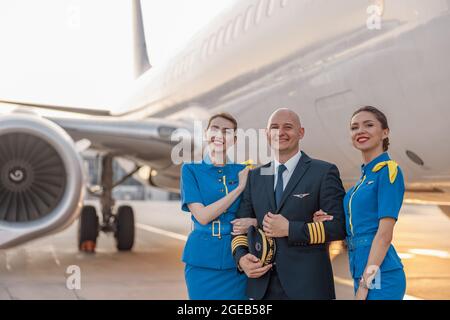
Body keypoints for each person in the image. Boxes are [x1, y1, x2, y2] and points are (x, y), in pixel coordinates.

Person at [231, 108, 346, 300]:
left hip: (308, 288)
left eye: (288, 127)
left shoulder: (323, 172)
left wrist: (289, 229)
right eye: (274, 127)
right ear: (267, 135)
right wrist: (241, 258)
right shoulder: (255, 177)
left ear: (301, 132)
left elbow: (338, 227)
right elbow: (239, 229)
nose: (280, 132)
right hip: (262, 288)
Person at [314, 106, 406, 300]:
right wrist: (326, 218)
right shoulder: (364, 178)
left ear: (385, 132)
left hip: (380, 274)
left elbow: (384, 235)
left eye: (369, 125)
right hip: (361, 268)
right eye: (354, 127)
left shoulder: (389, 172)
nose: (360, 131)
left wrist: (365, 284)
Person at [180, 112, 256, 300]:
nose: (220, 135)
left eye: (227, 131)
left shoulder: (244, 171)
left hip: (237, 261)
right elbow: (203, 216)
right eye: (215, 128)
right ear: (206, 134)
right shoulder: (190, 170)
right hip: (201, 261)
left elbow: (259, 212)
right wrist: (238, 189)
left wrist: (253, 221)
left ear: (234, 140)